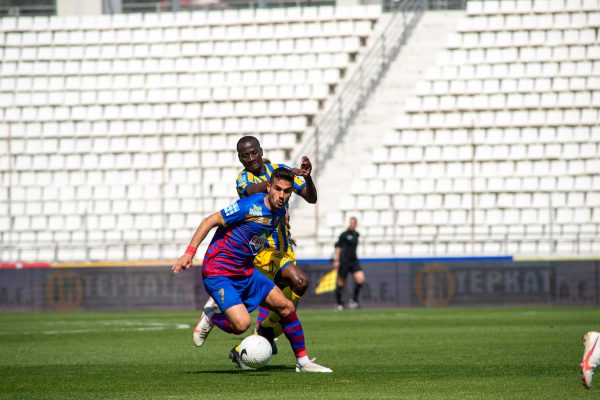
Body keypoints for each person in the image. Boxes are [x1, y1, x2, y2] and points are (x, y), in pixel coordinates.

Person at [172, 168, 331, 373]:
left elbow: (260, 232)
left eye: (287, 191)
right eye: (278, 189)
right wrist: (189, 253)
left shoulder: (280, 211)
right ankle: (212, 317)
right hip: (219, 272)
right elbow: (209, 221)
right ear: (268, 187)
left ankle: (304, 362)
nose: (281, 195)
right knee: (241, 325)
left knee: (286, 307)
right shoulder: (249, 206)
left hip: (246, 271)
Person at [226, 135, 317, 367]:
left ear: (260, 151)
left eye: (253, 153)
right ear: (240, 158)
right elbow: (257, 189)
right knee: (299, 282)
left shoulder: (279, 170)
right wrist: (283, 175)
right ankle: (298, 357)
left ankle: (258, 339)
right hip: (262, 252)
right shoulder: (243, 179)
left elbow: (311, 198)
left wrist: (307, 178)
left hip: (284, 250)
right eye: (244, 155)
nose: (250, 159)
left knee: (287, 306)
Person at [332, 216, 365, 310]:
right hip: (344, 261)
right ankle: (338, 303)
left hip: (354, 261)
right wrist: (337, 260)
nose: (352, 224)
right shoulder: (344, 234)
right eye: (351, 223)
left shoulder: (357, 234)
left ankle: (354, 301)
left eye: (354, 223)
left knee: (360, 279)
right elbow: (338, 247)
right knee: (341, 283)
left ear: (356, 224)